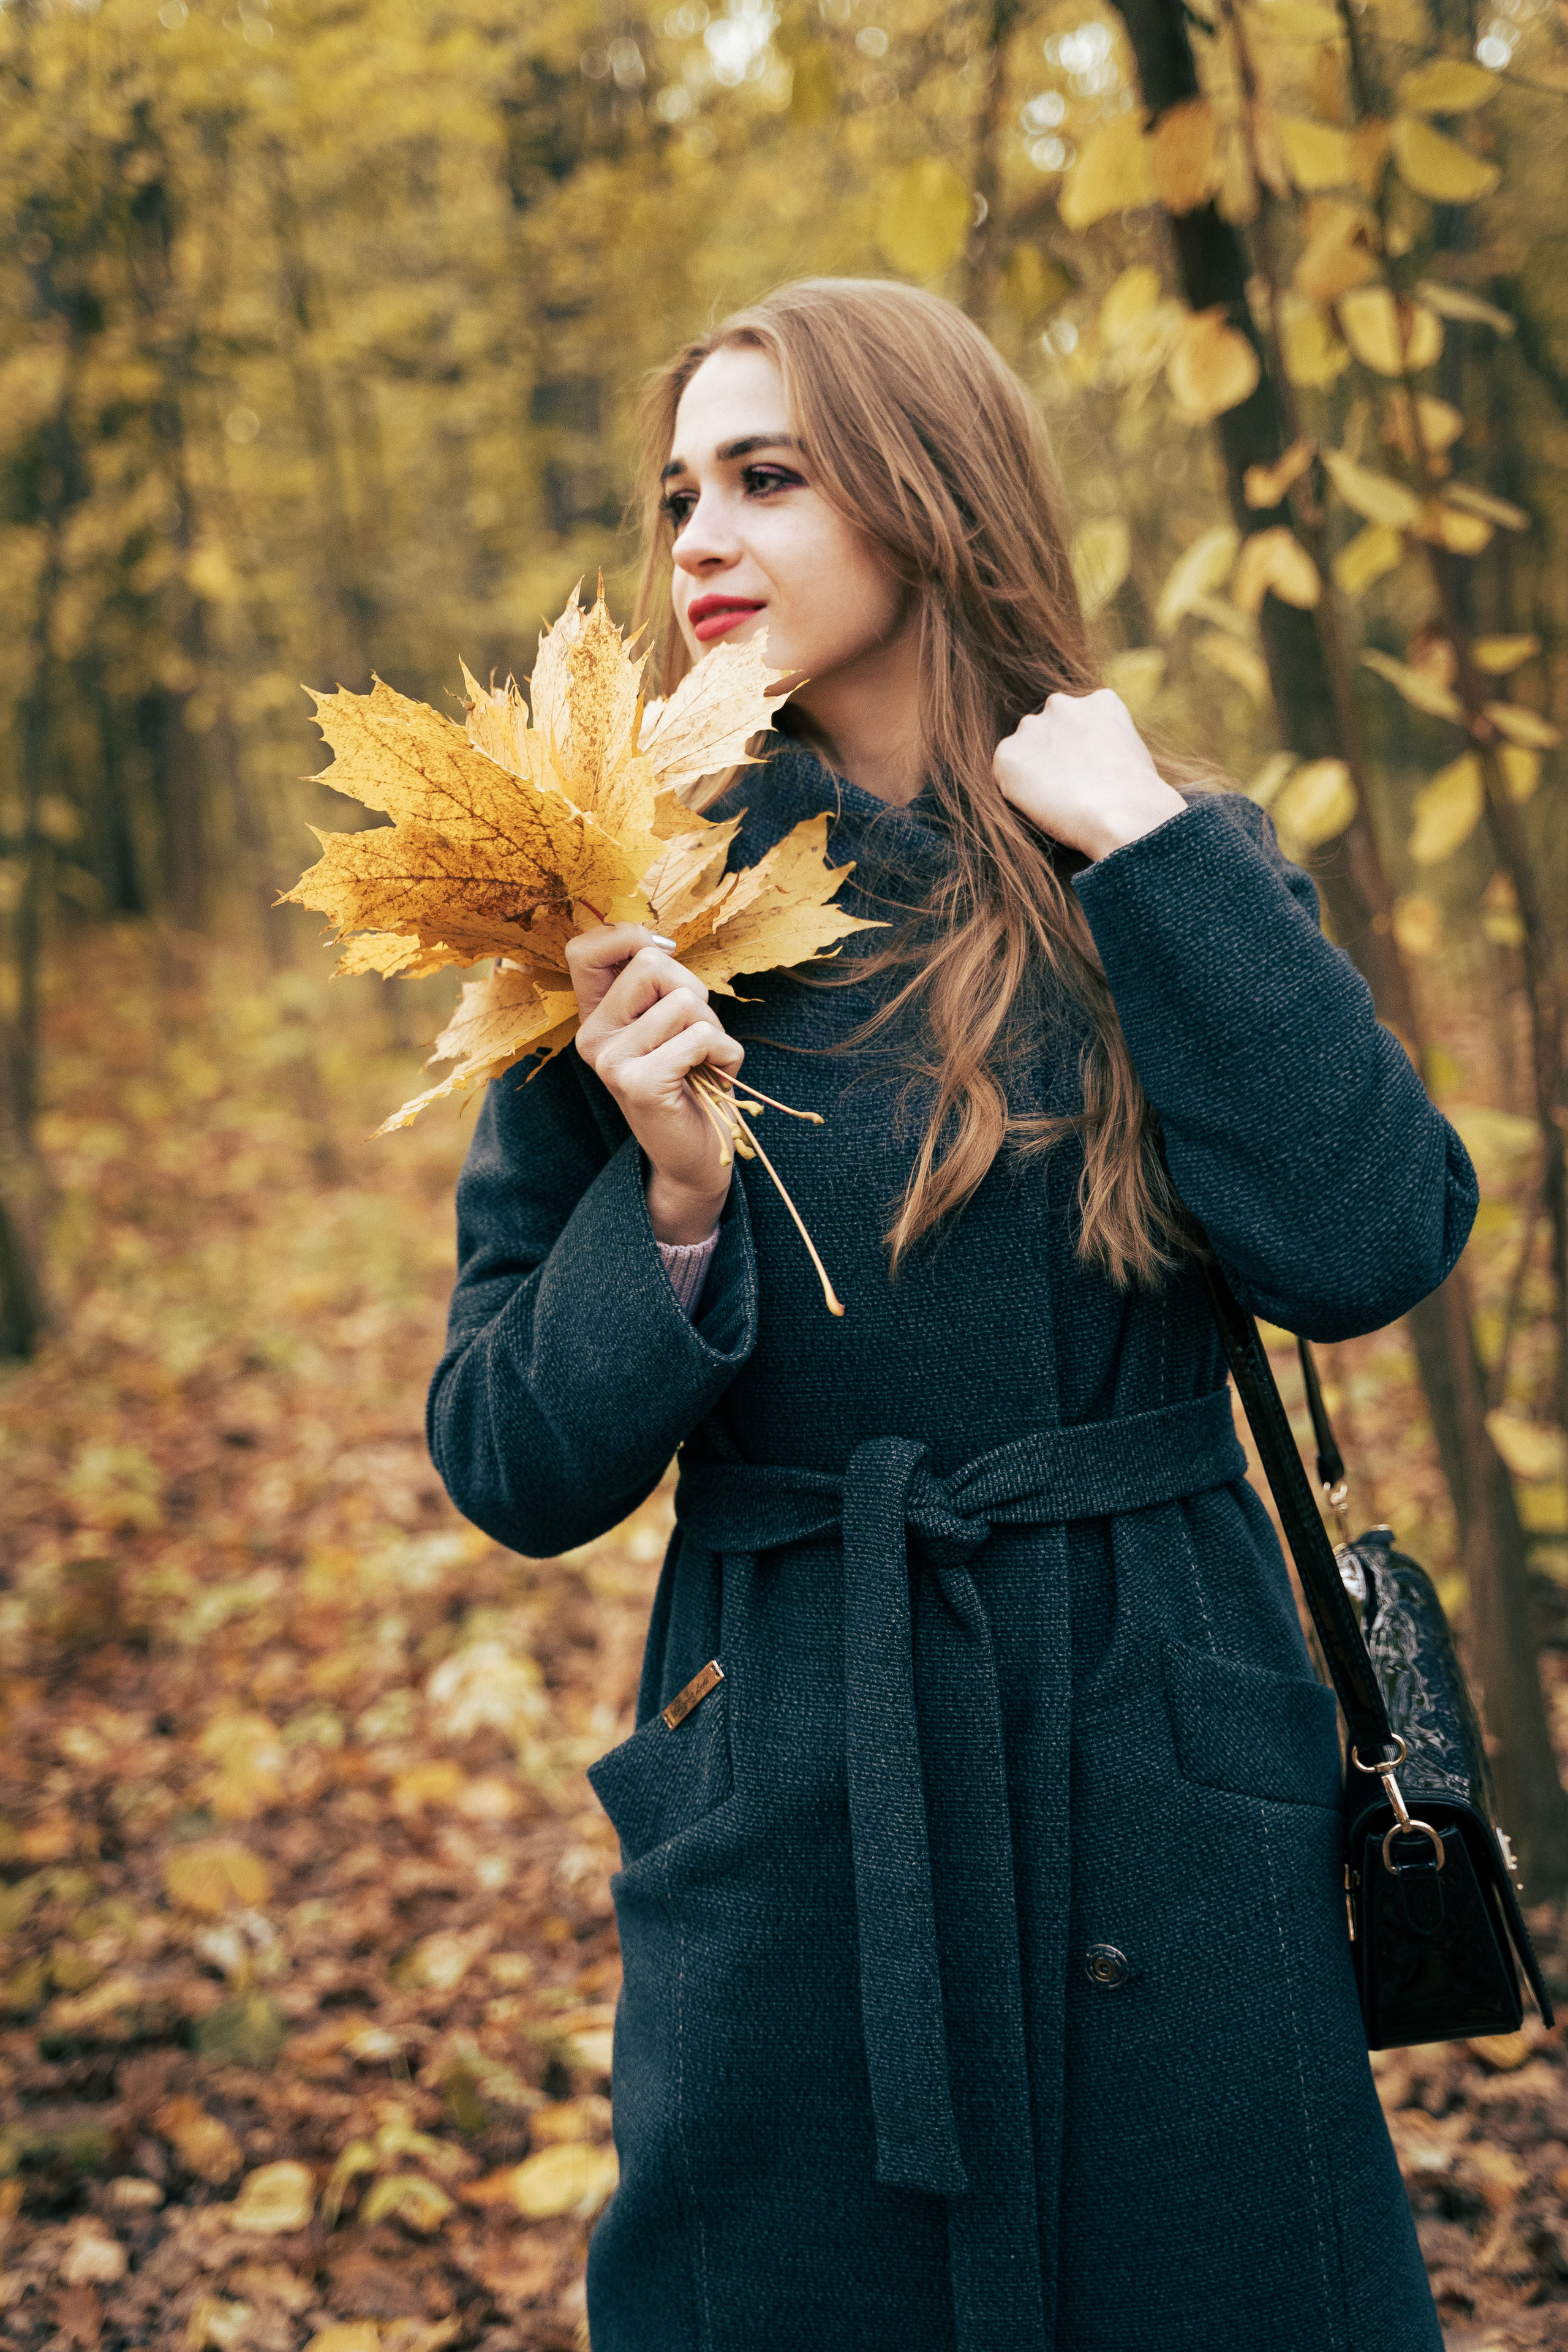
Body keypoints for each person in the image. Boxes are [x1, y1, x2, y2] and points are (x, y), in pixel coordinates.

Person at [428, 278, 1471, 2352]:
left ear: (931, 489)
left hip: (1169, 1763)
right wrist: (672, 1192)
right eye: (677, 496)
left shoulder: (1165, 859)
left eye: (767, 477)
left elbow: (1372, 1239)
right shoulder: (622, 924)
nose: (698, 539)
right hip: (804, 1786)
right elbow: (510, 1461)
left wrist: (1151, 856)